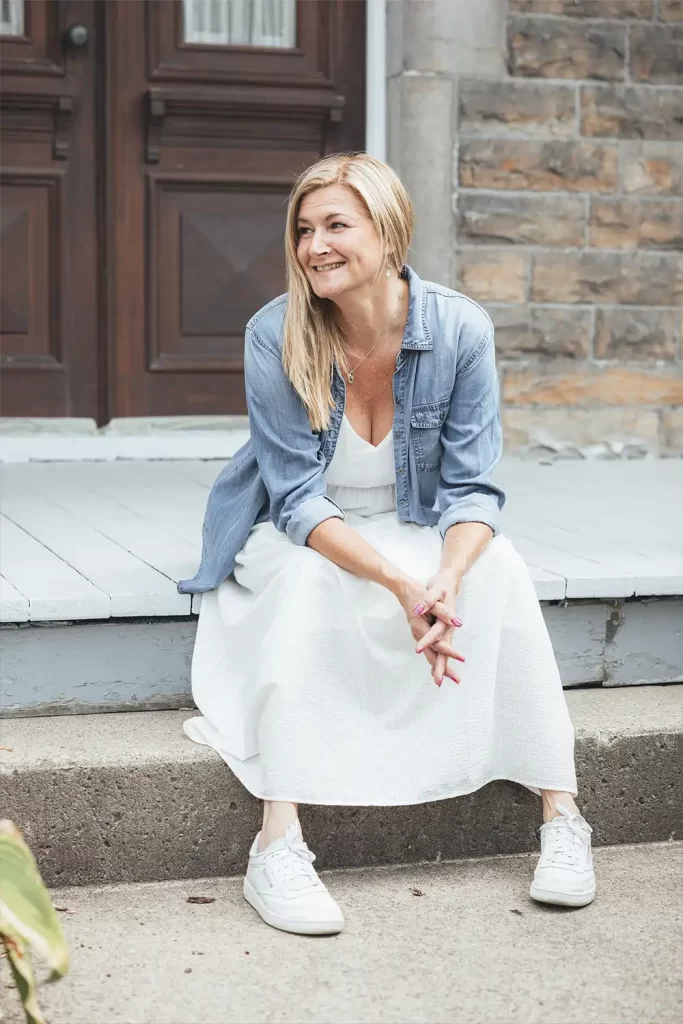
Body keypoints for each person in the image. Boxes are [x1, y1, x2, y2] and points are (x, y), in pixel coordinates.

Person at [177, 152, 596, 937]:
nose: (314, 247)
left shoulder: (459, 328)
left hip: (412, 514)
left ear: (389, 232)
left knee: (497, 567)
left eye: (337, 225)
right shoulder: (275, 332)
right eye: (304, 229)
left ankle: (561, 817)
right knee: (308, 585)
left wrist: (443, 575)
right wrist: (403, 589)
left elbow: (473, 491)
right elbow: (297, 501)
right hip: (301, 527)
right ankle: (276, 844)